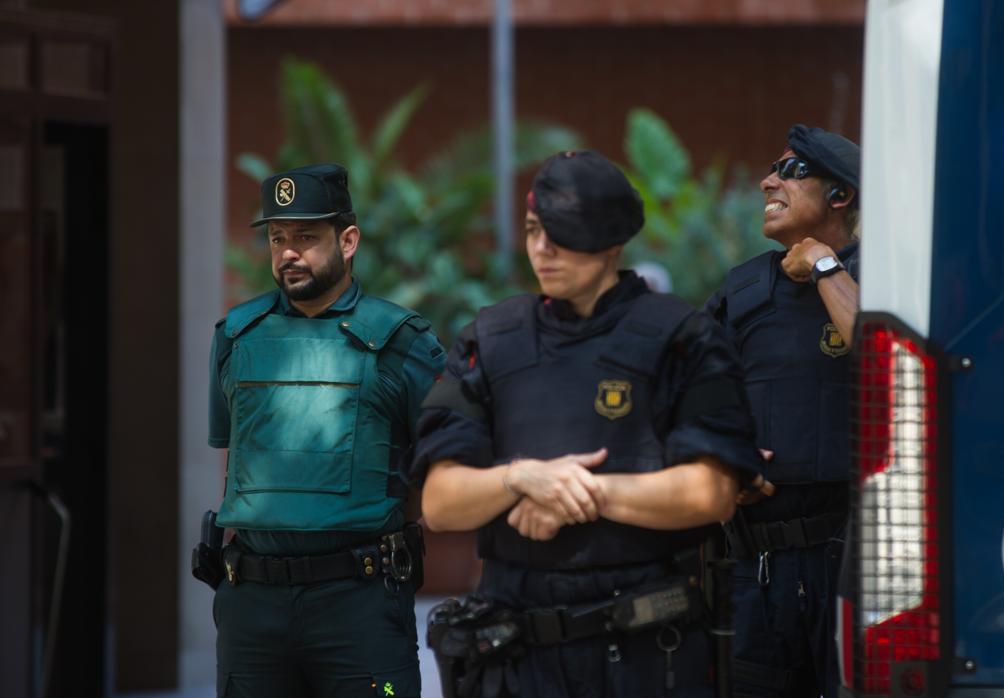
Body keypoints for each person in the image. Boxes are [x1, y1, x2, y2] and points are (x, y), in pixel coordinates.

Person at [413, 150, 763, 698]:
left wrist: (581, 493)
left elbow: (710, 493)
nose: (541, 248)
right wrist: (520, 478)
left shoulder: (684, 338)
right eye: (533, 229)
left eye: (563, 231)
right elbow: (440, 502)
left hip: (648, 655)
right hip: (517, 659)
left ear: (614, 240)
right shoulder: (489, 338)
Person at [205, 163, 444, 698]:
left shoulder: (402, 341)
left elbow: (445, 464)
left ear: (349, 240)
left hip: (357, 600)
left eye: (306, 236)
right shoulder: (236, 337)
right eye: (277, 237)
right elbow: (236, 461)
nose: (288, 252)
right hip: (252, 604)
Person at [704, 125, 861, 698]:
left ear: (839, 195)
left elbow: (883, 356)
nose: (768, 181)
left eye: (790, 172)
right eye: (772, 170)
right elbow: (692, 395)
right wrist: (723, 456)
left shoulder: (889, 275)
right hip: (758, 564)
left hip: (855, 562)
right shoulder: (744, 289)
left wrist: (824, 265)